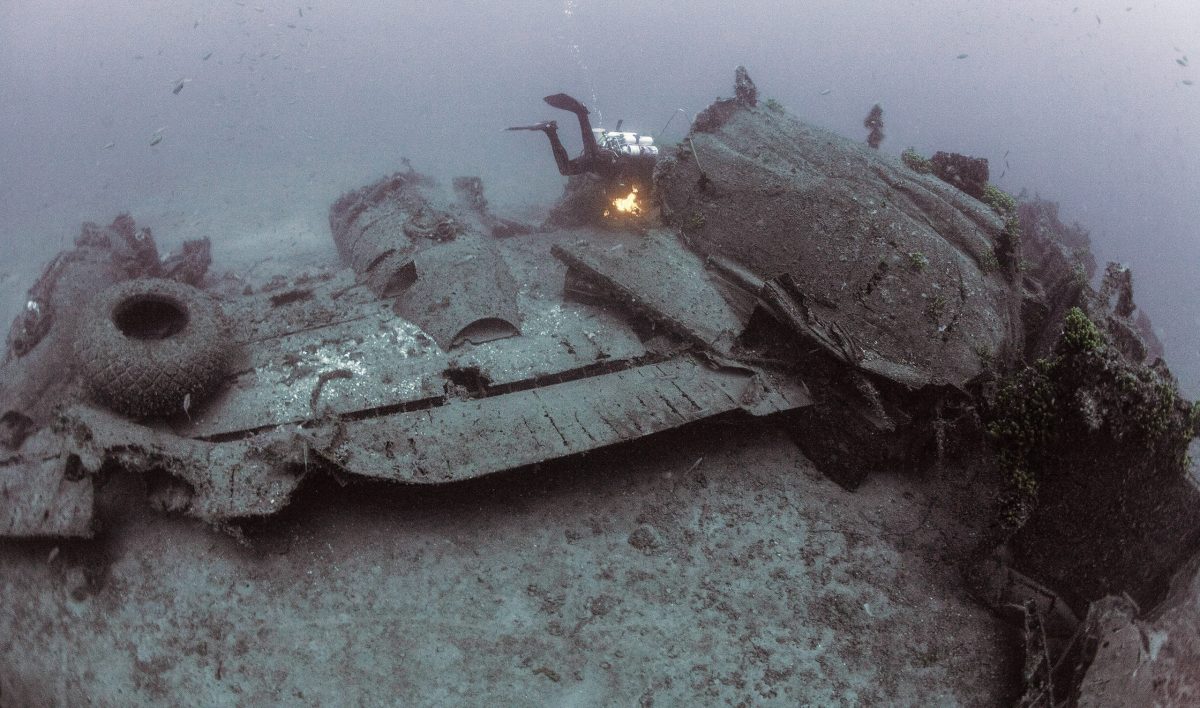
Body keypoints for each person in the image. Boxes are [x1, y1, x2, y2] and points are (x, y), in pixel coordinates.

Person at [508, 93, 657, 183]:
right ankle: (581, 113)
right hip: (606, 160)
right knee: (592, 155)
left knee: (565, 170)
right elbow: (612, 173)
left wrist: (592, 176)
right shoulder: (635, 169)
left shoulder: (631, 171)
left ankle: (550, 131)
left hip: (595, 166)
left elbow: (598, 178)